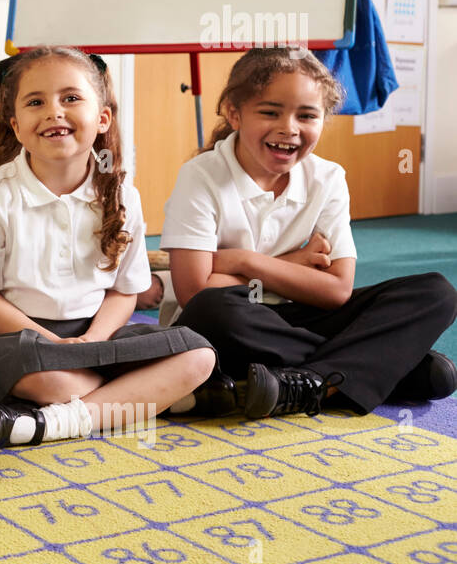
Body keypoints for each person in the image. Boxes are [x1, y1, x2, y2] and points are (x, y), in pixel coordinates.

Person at [164, 46, 457, 418]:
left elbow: (336, 290)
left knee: (436, 292)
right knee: (215, 310)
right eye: (270, 112)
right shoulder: (201, 176)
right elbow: (194, 291)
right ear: (234, 114)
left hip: (290, 317)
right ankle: (370, 369)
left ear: (323, 120)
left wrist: (244, 260)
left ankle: (309, 382)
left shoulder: (328, 178)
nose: (289, 128)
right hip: (231, 324)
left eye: (306, 115)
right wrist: (293, 265)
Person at [0, 46, 218, 448]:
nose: (54, 111)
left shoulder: (122, 194)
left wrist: (95, 338)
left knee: (200, 356)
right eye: (35, 102)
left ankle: (69, 419)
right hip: (22, 341)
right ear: (16, 126)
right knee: (49, 379)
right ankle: (142, 397)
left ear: (102, 118)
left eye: (71, 98)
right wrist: (49, 341)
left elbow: (123, 292)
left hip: (98, 336)